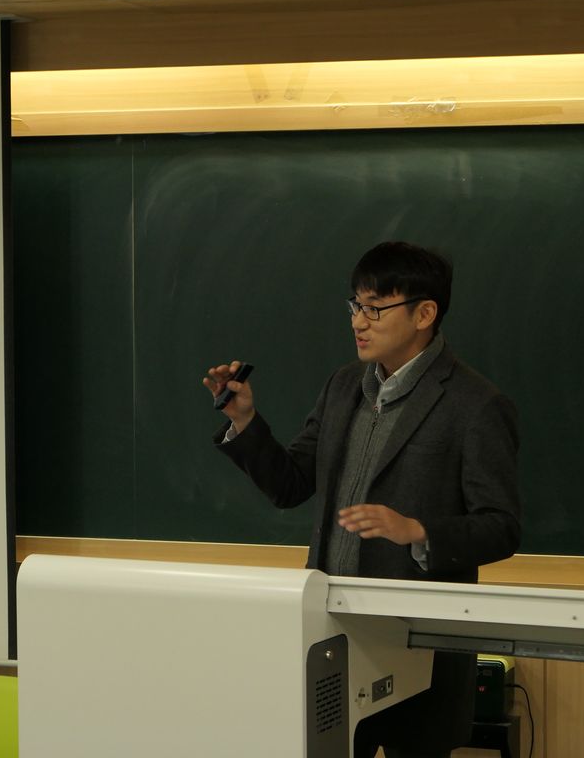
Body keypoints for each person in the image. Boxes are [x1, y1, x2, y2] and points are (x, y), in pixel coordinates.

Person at [204, 241, 520, 758]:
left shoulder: (475, 405)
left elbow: (501, 526)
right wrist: (244, 420)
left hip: (419, 649)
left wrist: (419, 531)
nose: (358, 321)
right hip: (334, 641)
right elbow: (290, 485)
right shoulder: (343, 386)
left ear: (424, 314)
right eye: (355, 305)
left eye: (375, 308)